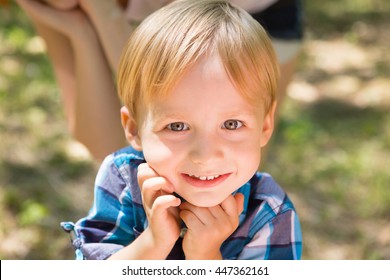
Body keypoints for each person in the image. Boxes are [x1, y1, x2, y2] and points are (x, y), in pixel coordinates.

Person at [61, 0, 302, 260]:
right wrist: (154, 242)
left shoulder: (270, 213)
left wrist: (206, 254)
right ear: (134, 129)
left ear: (265, 126)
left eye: (231, 124)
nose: (205, 155)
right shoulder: (122, 179)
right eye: (177, 126)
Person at [16, 0, 303, 161]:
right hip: (133, 25)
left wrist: (104, 13)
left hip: (252, 22)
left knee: (230, 170)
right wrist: (79, 32)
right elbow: (104, 146)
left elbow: (173, 91)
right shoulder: (64, 5)